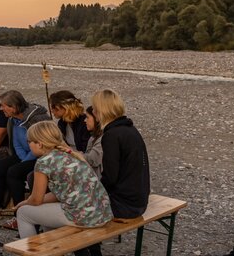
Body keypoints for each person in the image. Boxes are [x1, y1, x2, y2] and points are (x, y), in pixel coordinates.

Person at [14, 121, 112, 240]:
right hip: (102, 213)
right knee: (44, 212)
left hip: (86, 217)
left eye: (29, 141)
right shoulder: (70, 154)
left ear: (39, 144)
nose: (28, 145)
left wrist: (22, 203)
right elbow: (58, 194)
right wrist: (36, 201)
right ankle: (49, 249)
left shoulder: (43, 162)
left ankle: (31, 252)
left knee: (23, 213)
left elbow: (36, 200)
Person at [0, 90, 51, 225]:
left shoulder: (37, 119)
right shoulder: (13, 119)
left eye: (4, 105)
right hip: (24, 154)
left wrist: (24, 161)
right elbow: (15, 142)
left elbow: (40, 145)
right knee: (0, 166)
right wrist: (21, 158)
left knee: (14, 172)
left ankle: (19, 213)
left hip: (40, 156)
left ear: (14, 107)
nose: (1, 108)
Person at [93, 89, 151, 219]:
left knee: (74, 206)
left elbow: (110, 177)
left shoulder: (112, 135)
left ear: (102, 110)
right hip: (139, 201)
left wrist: (94, 193)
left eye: (95, 108)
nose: (93, 111)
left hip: (124, 206)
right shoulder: (129, 129)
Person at [83, 105, 105, 178]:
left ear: (96, 118)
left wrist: (74, 153)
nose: (85, 120)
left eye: (87, 117)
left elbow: (93, 160)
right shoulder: (93, 137)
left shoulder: (103, 137)